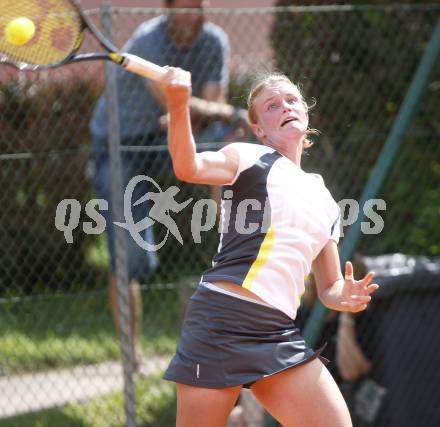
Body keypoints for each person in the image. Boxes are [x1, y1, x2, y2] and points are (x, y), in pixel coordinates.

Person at [160, 68, 380, 427]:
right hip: (222, 319)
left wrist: (345, 296)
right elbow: (188, 166)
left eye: (291, 100)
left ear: (306, 113)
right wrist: (178, 104)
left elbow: (328, 287)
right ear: (259, 129)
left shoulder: (323, 198)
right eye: (272, 106)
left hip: (276, 332)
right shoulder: (246, 157)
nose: (285, 107)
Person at [89, 0, 245, 373]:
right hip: (120, 145)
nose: (192, 13)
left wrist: (219, 113)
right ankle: (131, 356)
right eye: (184, 6)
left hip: (166, 136)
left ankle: (233, 236)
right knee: (133, 256)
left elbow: (211, 105)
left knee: (225, 136)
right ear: (168, 8)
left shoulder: (214, 41)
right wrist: (218, 111)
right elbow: (178, 101)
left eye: (198, 6)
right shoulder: (148, 41)